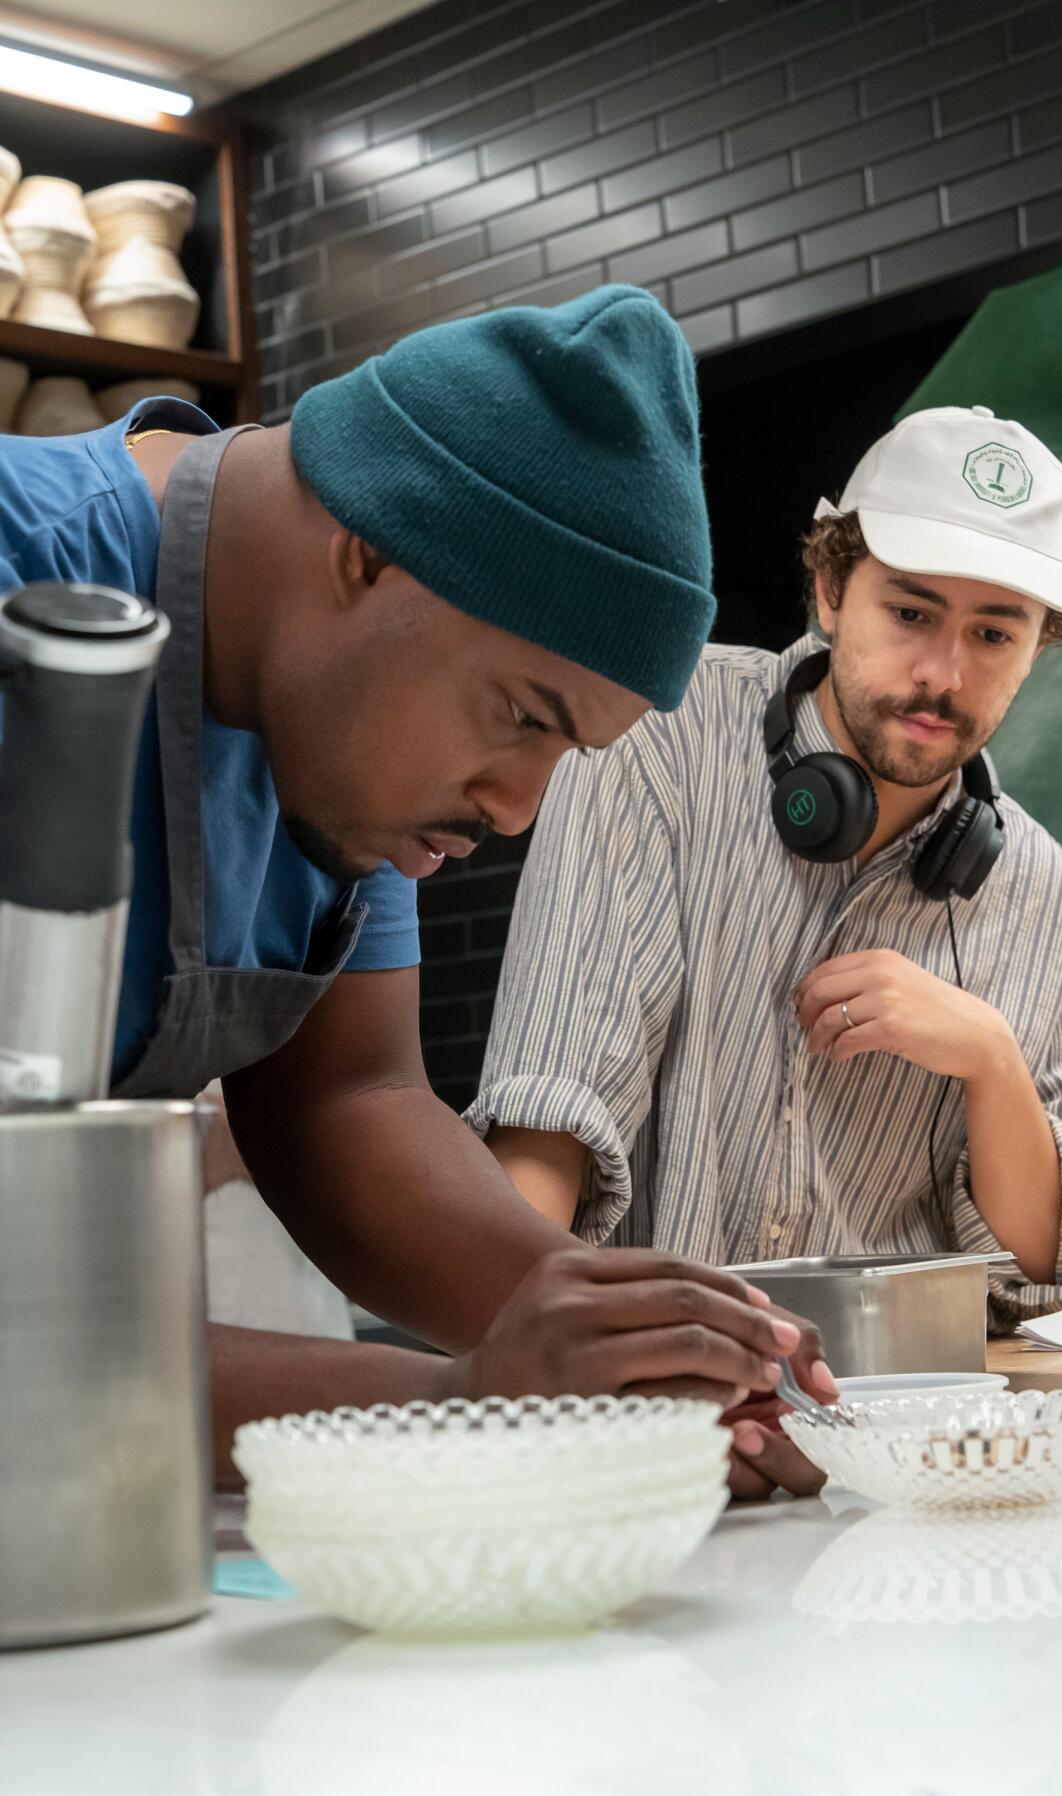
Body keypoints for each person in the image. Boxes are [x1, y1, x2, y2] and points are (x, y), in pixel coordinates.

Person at [0, 286, 833, 1486]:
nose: (514, 808)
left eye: (566, 755)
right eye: (520, 717)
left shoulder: (327, 743)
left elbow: (350, 1099)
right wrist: (462, 1400)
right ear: (368, 552)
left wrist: (627, 1335)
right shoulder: (27, 575)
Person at [475, 404, 1062, 1474]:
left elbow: (1050, 1264)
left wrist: (989, 1057)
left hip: (913, 1461)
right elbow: (553, 1118)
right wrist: (519, 1384)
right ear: (832, 588)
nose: (945, 674)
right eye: (912, 611)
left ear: (1035, 646)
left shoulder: (1046, 895)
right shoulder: (659, 744)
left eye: (993, 632)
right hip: (656, 1429)